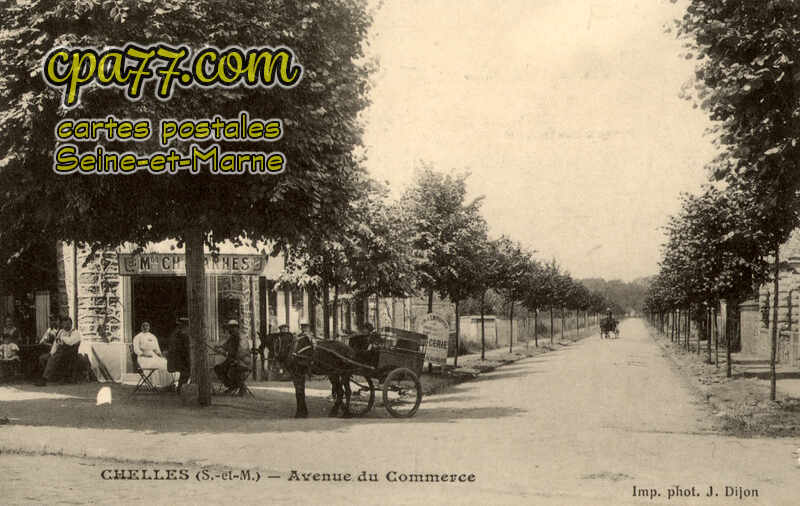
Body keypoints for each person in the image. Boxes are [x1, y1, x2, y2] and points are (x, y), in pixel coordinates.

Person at [36, 316, 82, 386]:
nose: (65, 326)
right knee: (43, 358)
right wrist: (51, 353)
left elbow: (70, 342)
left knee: (54, 357)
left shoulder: (75, 332)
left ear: (71, 324)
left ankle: (44, 379)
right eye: (64, 324)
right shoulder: (61, 331)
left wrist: (62, 338)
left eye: (67, 324)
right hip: (60, 352)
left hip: (70, 354)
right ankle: (50, 377)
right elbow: (56, 343)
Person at [213, 319, 252, 395]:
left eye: (232, 327)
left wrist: (224, 352)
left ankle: (235, 386)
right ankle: (233, 386)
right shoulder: (233, 337)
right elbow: (225, 346)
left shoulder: (239, 337)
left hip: (242, 362)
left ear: (236, 328)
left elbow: (238, 352)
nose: (230, 330)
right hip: (234, 361)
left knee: (227, 369)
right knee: (219, 368)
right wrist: (219, 347)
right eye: (229, 328)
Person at [132, 321, 174, 389]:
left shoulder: (152, 336)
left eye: (147, 326)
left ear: (149, 327)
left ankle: (166, 384)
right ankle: (154, 384)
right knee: (155, 364)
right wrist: (144, 355)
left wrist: (161, 356)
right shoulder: (137, 337)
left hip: (153, 355)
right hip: (143, 358)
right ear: (141, 327)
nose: (145, 328)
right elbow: (136, 349)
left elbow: (157, 349)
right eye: (144, 326)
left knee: (165, 363)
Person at [167, 316, 191, 394]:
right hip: (180, 358)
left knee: (185, 372)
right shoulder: (183, 333)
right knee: (187, 371)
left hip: (175, 358)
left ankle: (181, 388)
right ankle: (181, 389)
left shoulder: (176, 332)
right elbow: (185, 348)